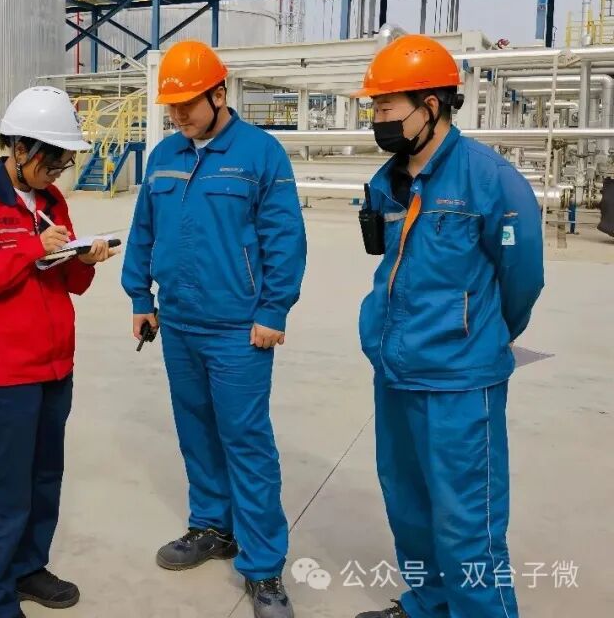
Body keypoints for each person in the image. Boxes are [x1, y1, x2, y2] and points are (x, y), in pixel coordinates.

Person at [352, 33, 544, 618]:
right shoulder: (389, 179)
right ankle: (429, 604)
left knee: (468, 524)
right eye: (375, 108)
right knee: (408, 508)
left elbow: (522, 278)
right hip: (396, 371)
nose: (378, 119)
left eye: (387, 107)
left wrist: (478, 335)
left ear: (430, 106)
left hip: (460, 383)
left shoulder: (489, 179)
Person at [121, 40, 307, 618]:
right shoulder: (164, 155)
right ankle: (211, 526)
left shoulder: (260, 154)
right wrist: (140, 295)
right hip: (178, 322)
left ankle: (264, 565)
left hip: (237, 329)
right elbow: (144, 229)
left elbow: (284, 237)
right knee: (196, 430)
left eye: (187, 105)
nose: (178, 115)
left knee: (246, 441)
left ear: (219, 95)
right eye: (171, 106)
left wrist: (273, 310)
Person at [0, 86, 118, 618]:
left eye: (64, 163)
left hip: (53, 369)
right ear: (20, 149)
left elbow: (68, 283)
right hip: (3, 377)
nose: (58, 172)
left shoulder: (52, 203)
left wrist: (83, 259)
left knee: (44, 480)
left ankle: (28, 568)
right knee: (3, 491)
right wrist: (29, 247)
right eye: (52, 161)